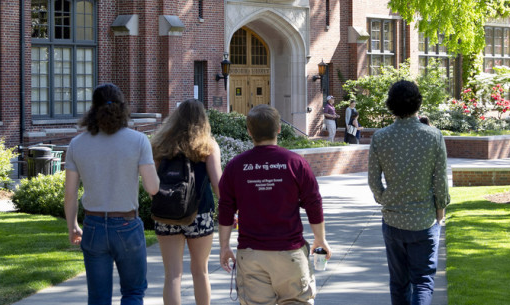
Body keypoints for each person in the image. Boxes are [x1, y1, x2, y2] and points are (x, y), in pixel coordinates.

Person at [218, 105, 331, 305]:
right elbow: (313, 203)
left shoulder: (236, 166)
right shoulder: (295, 163)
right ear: (279, 129)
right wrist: (320, 239)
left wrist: (224, 246)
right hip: (290, 253)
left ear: (249, 131)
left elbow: (226, 208)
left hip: (251, 255)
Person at [63, 83, 160, 305]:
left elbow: (70, 195)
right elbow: (153, 188)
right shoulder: (138, 141)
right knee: (133, 293)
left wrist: (72, 226)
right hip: (127, 224)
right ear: (122, 108)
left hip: (93, 225)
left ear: (92, 109)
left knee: (98, 298)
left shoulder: (77, 144)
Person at [367, 80, 449, 305]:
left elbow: (373, 180)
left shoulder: (381, 137)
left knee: (398, 281)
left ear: (391, 104)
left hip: (393, 220)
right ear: (418, 103)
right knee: (422, 280)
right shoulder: (433, 136)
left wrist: (384, 198)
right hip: (424, 220)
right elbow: (440, 181)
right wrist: (440, 211)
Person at [149, 99, 222, 305]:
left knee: (172, 274)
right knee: (201, 271)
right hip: (200, 214)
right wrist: (228, 209)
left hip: (166, 213)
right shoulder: (208, 146)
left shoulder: (160, 145)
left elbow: (151, 181)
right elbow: (218, 184)